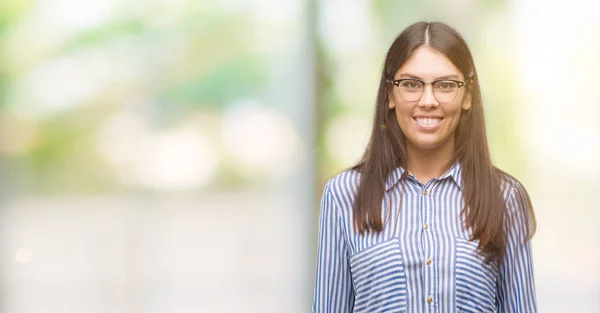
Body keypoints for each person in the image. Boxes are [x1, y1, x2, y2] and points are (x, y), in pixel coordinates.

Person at [312, 21, 537, 313]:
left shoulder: (505, 198)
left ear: (467, 95)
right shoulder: (344, 195)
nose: (428, 101)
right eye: (411, 85)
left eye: (445, 85)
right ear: (390, 95)